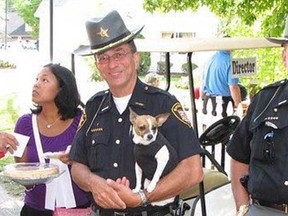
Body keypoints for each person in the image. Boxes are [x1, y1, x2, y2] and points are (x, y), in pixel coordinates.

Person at [70, 10, 203, 216]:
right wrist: (93, 183)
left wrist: (142, 196)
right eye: (103, 58)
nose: (112, 64)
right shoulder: (94, 107)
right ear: (97, 65)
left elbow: (193, 170)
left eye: (119, 54)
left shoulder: (163, 104)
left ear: (135, 57)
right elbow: (77, 164)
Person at [227, 18, 288, 216]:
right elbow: (239, 156)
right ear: (284, 56)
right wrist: (243, 209)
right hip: (264, 211)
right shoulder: (265, 100)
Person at [14, 63, 90, 216]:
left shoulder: (82, 120)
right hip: (35, 209)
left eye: (44, 80)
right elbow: (22, 171)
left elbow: (97, 160)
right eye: (36, 79)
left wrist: (74, 159)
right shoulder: (24, 124)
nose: (36, 84)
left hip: (78, 209)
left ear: (62, 88)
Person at [202, 49, 242, 117]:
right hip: (224, 103)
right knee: (226, 126)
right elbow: (233, 87)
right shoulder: (231, 62)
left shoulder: (209, 60)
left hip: (208, 100)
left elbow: (203, 82)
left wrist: (202, 97)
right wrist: (239, 106)